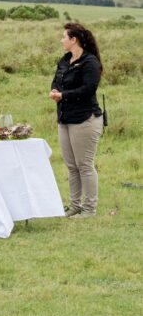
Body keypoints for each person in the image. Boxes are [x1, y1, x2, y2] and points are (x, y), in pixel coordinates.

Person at [50, 22, 104, 218]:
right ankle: (74, 206)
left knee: (85, 165)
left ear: (74, 40)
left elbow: (89, 88)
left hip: (85, 118)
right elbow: (56, 80)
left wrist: (63, 95)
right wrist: (56, 90)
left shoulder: (90, 62)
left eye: (64, 36)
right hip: (65, 117)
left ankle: (89, 209)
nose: (61, 40)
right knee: (71, 165)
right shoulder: (65, 60)